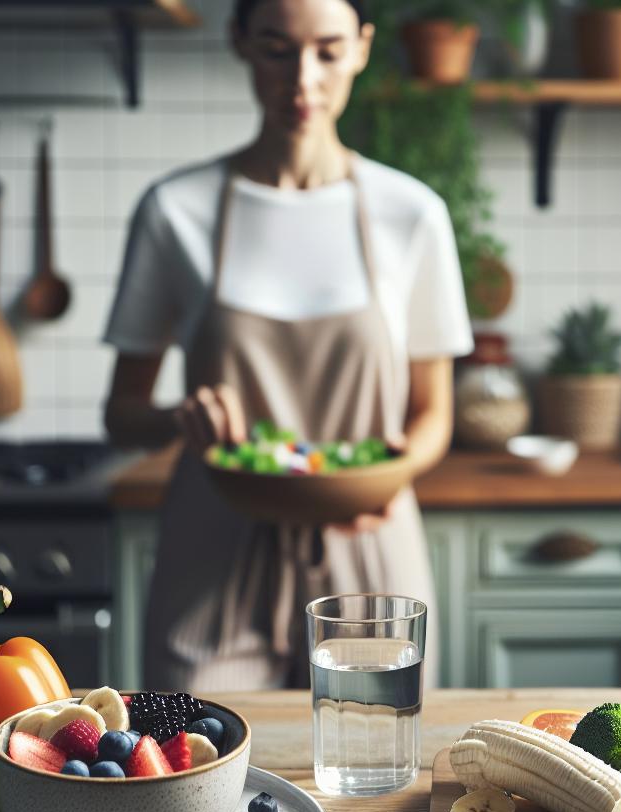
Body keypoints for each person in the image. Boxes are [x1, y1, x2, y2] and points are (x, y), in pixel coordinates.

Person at [102, 0, 470, 690]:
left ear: (362, 47)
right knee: (195, 779)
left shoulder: (411, 214)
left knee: (375, 782)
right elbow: (122, 412)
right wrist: (179, 419)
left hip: (370, 556)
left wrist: (389, 472)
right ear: (240, 43)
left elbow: (432, 416)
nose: (303, 78)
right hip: (211, 555)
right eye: (277, 48)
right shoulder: (174, 209)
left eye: (328, 51)